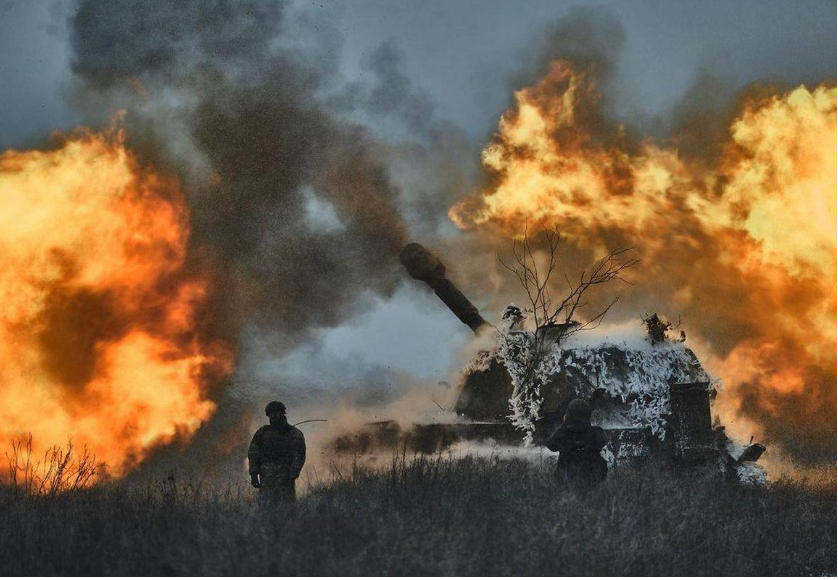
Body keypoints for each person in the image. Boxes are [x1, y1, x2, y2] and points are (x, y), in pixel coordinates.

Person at [248, 401, 306, 503]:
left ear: (281, 414)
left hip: (285, 476)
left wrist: (293, 473)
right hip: (266, 476)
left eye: (276, 413)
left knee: (286, 507)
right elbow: (253, 453)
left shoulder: (293, 433)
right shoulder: (262, 432)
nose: (273, 416)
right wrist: (254, 475)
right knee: (266, 507)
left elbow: (299, 455)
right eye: (271, 413)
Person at [546, 398, 608, 490]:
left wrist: (564, 424)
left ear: (569, 415)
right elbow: (602, 442)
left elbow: (551, 445)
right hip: (592, 477)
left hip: (567, 478)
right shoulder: (596, 432)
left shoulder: (563, 433)